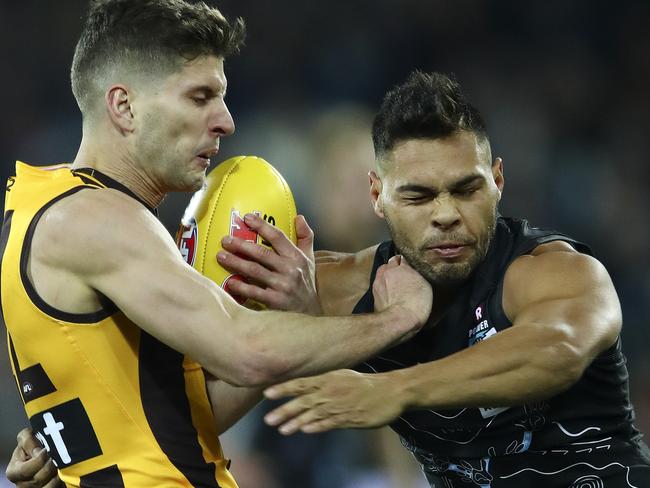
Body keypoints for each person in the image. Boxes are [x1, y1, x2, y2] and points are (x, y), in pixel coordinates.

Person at [0, 1, 433, 486]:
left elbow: (179, 418)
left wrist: (286, 314)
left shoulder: (53, 206)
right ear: (124, 106)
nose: (225, 121)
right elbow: (245, 353)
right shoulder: (95, 219)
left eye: (221, 97)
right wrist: (399, 319)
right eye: (200, 96)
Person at [210, 72, 650, 486]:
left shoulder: (554, 270)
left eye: (466, 189)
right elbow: (207, 404)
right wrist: (299, 323)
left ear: (497, 180)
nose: (446, 215)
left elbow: (559, 349)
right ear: (377, 196)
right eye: (418, 196)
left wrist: (394, 389)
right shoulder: (335, 288)